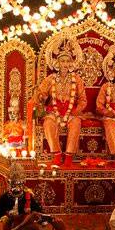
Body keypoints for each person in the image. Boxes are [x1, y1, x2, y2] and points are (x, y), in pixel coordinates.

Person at [30, 36, 87, 167]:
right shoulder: (51, 78)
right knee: (48, 122)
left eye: (68, 61)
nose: (65, 64)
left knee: (76, 123)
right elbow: (41, 94)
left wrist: (75, 111)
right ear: (57, 63)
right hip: (54, 111)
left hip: (71, 111)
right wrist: (41, 97)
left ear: (71, 63)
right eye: (62, 61)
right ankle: (56, 154)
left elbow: (83, 100)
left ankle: (68, 157)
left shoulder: (76, 79)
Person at [0, 161, 42, 230]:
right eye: (14, 185)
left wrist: (39, 217)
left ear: (23, 183)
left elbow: (37, 210)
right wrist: (5, 218)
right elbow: (0, 213)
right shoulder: (4, 197)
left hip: (25, 226)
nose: (16, 188)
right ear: (9, 183)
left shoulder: (28, 195)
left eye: (19, 185)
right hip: (10, 226)